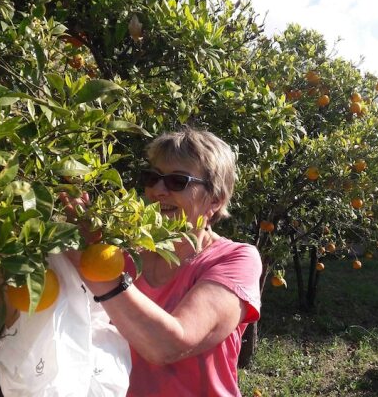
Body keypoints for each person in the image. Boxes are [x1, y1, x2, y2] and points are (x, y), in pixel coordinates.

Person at [70, 127, 262, 396]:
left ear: (215, 200)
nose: (158, 190)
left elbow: (169, 345)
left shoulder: (235, 259)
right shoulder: (121, 253)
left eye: (177, 181)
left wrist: (94, 265)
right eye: (152, 178)